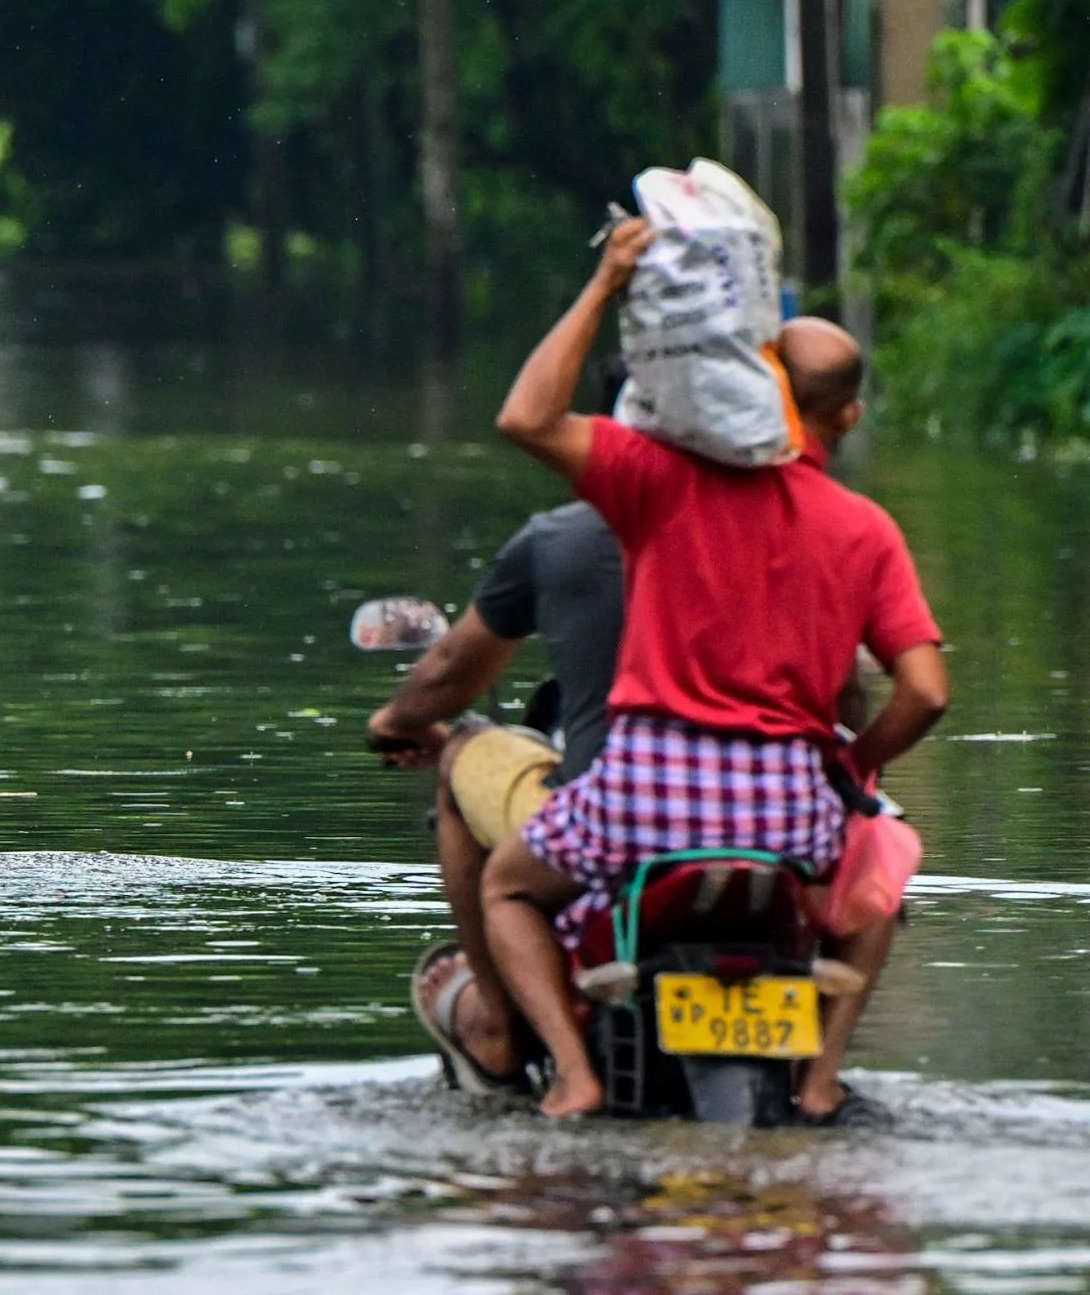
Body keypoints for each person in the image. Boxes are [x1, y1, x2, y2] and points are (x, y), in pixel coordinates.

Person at [482, 218, 950, 1119]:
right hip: (788, 816)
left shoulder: (662, 478)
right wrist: (850, 767)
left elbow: (526, 417)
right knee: (882, 873)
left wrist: (607, 284)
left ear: (760, 380)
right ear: (848, 416)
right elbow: (927, 691)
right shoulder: (866, 529)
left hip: (642, 803)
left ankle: (575, 1072)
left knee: (506, 882)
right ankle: (817, 1080)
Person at [365, 499, 621, 1092]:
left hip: (623, 807)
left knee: (469, 773)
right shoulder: (813, 525)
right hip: (780, 819)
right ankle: (818, 1078)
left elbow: (452, 665)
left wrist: (398, 722)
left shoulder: (569, 534)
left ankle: (504, 1033)